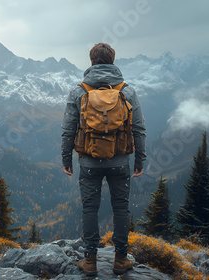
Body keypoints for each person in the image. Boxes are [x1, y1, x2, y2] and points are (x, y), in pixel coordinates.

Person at [61, 43, 146, 275]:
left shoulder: (79, 92)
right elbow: (138, 128)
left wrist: (66, 158)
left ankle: (90, 261)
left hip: (89, 162)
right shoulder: (126, 91)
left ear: (91, 62)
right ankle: (120, 259)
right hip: (120, 161)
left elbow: (68, 129)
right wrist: (140, 159)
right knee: (121, 207)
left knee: (90, 208)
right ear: (113, 61)